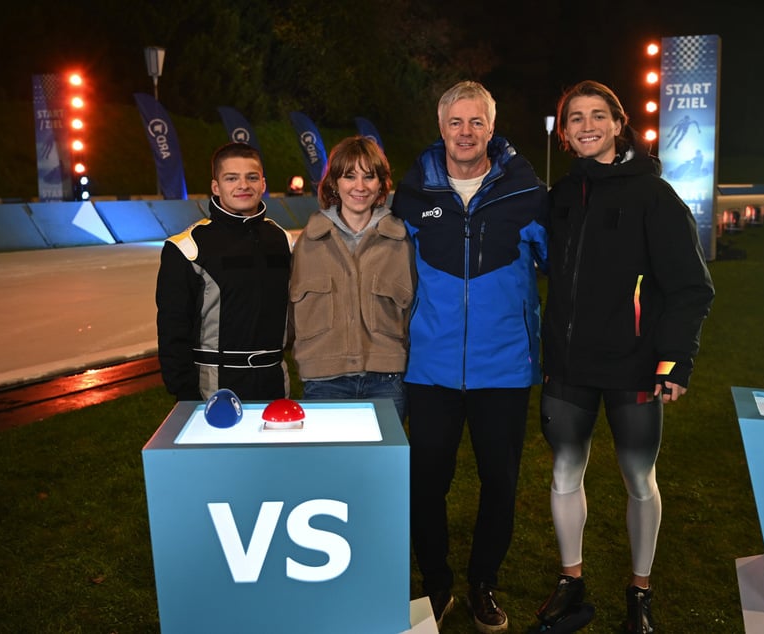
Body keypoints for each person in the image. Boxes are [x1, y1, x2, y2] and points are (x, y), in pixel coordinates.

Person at [534, 80, 715, 633]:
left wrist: (674, 361)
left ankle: (640, 591)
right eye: (574, 119)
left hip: (634, 365)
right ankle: (572, 581)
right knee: (565, 472)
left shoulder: (653, 196)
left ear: (618, 124)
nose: (586, 125)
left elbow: (690, 286)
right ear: (563, 134)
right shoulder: (561, 196)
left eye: (597, 115)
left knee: (640, 478)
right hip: (568, 366)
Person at [391, 80, 549, 633]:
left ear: (491, 127)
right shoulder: (412, 196)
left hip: (503, 370)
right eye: (456, 122)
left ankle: (483, 583)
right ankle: (436, 585)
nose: (465, 132)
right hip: (430, 370)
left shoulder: (527, 193)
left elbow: (572, 268)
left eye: (476, 122)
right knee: (426, 483)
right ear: (441, 128)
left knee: (500, 483)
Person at [289, 136, 415, 421]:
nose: (360, 186)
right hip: (324, 382)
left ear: (381, 184)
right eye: (349, 176)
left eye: (369, 176)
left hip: (386, 381)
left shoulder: (401, 242)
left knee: (383, 466)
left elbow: (414, 312)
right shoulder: (308, 243)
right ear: (334, 182)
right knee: (329, 467)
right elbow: (291, 314)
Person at [156, 142, 293, 402]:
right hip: (214, 387)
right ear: (216, 187)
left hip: (274, 383)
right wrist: (185, 394)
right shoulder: (187, 247)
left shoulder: (282, 240)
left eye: (252, 177)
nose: (243, 185)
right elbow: (172, 331)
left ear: (263, 184)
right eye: (232, 178)